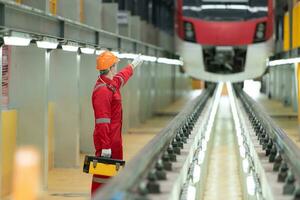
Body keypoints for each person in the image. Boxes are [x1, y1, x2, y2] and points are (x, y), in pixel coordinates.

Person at [91, 51, 143, 195]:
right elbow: (102, 122)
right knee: (102, 178)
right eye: (115, 65)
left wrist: (132, 66)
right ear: (110, 67)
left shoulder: (110, 84)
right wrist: (106, 147)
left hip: (114, 140)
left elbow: (121, 77)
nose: (116, 68)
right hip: (106, 142)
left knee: (114, 177)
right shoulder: (102, 91)